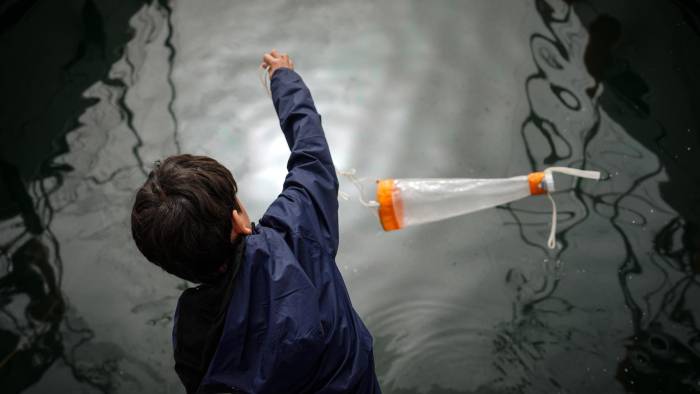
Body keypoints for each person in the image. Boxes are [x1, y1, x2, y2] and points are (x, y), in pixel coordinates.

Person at [130, 50, 381, 394]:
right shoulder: (295, 231)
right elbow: (312, 156)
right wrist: (283, 78)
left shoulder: (190, 336)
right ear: (239, 221)